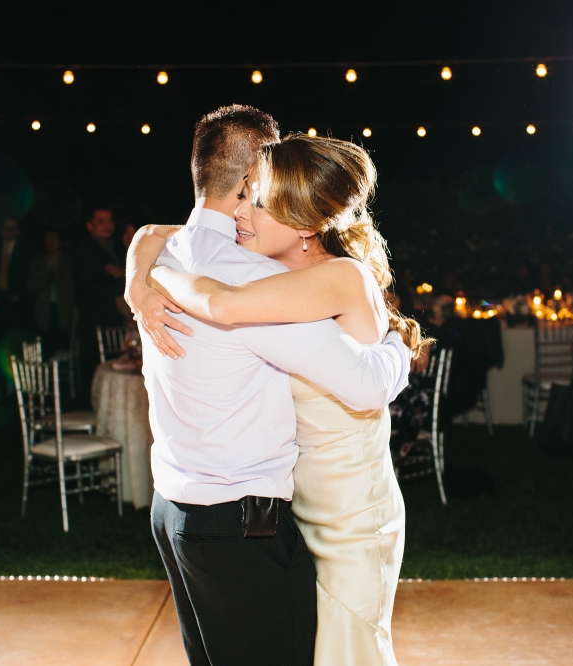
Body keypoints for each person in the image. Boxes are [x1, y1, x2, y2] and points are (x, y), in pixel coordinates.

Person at [125, 107, 412, 666]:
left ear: (302, 216)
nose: (247, 213)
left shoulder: (221, 267)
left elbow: (367, 384)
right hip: (260, 517)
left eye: (263, 199)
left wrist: (399, 346)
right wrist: (143, 275)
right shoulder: (247, 269)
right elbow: (152, 237)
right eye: (251, 194)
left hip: (345, 512)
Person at [74, 206, 125, 381]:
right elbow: (88, 287)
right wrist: (120, 281)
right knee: (99, 369)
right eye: (101, 221)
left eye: (110, 221)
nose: (107, 226)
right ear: (90, 225)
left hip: (113, 320)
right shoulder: (86, 251)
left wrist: (120, 274)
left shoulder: (114, 247)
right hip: (96, 321)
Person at [27, 230, 76, 358]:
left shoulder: (68, 260)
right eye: (47, 240)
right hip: (45, 312)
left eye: (53, 239)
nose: (50, 243)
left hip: (65, 311)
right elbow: (30, 286)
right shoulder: (38, 262)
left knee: (65, 349)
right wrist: (43, 279)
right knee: (47, 348)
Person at [0, 217, 32, 338]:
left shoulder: (25, 251)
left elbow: (24, 280)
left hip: (14, 304)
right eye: (5, 228)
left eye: (11, 228)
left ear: (17, 231)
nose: (8, 231)